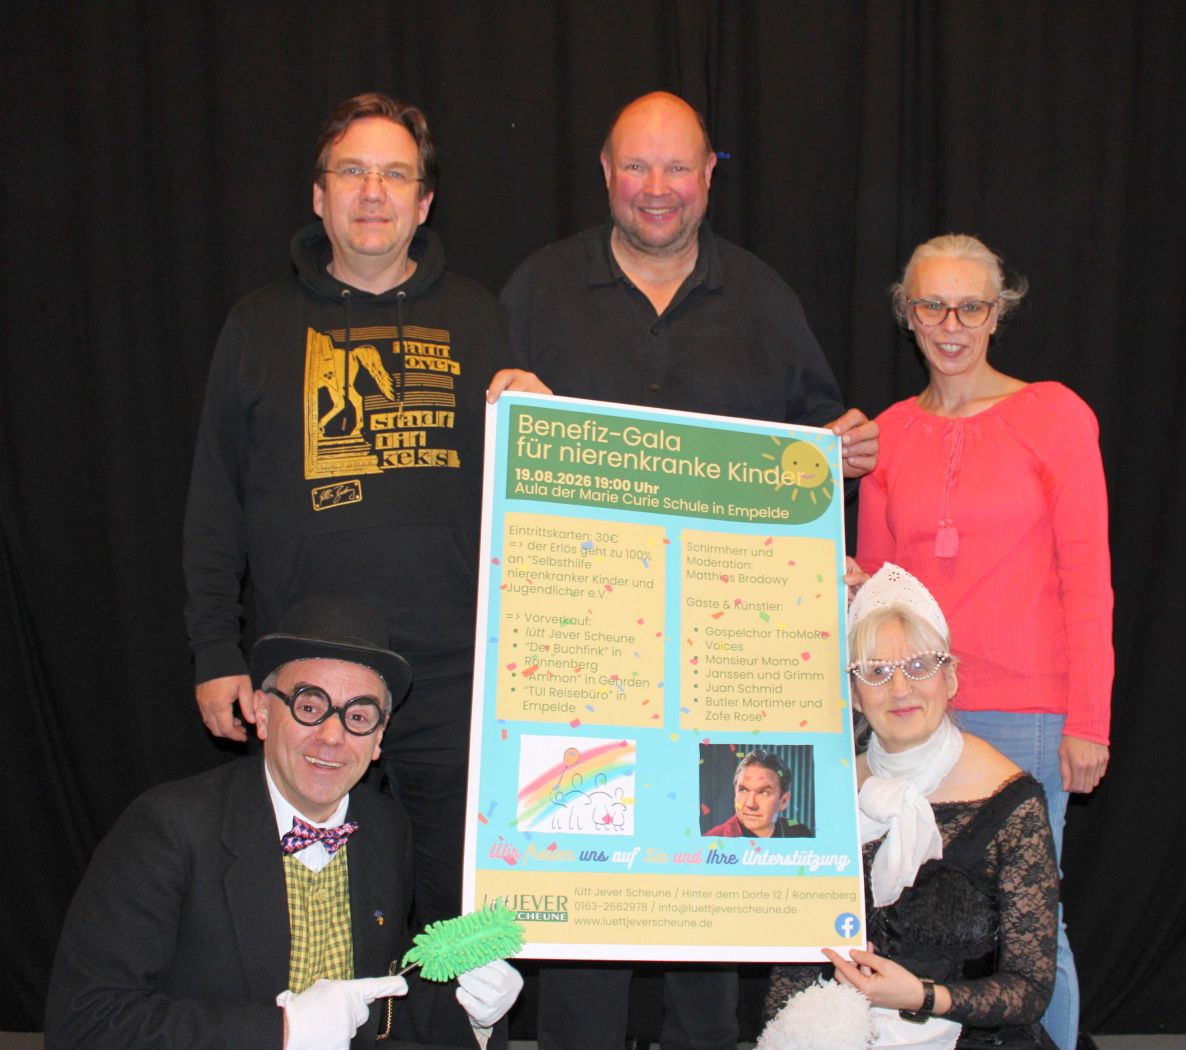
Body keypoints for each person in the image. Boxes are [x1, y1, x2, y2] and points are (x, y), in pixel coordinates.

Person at [488, 89, 879, 1050]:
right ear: (605, 175)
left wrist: (841, 456)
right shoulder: (537, 290)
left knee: (712, 911)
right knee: (582, 911)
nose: (656, 187)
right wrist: (494, 401)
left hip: (723, 661)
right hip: (579, 662)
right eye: (637, 166)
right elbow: (488, 456)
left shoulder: (764, 298)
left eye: (677, 167)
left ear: (709, 176)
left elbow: (814, 451)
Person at [183, 93, 509, 927]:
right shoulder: (256, 325)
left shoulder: (480, 319)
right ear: (319, 194)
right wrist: (215, 649)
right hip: (308, 684)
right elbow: (215, 501)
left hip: (454, 682)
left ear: (423, 203)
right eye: (352, 172)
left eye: (395, 175)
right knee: (311, 910)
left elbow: (527, 495)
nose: (372, 192)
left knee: (457, 918)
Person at [47, 595, 523, 1049]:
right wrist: (283, 1031)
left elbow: (380, 1011)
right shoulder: (168, 828)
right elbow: (85, 1023)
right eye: (309, 707)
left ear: (379, 737)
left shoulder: (385, 828)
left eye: (359, 716)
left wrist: (472, 1012)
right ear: (261, 711)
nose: (332, 736)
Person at [854, 234, 1112, 1050]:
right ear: (907, 315)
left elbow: (1089, 577)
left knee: (1033, 931)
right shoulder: (888, 433)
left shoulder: (1056, 416)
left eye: (971, 307)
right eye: (932, 305)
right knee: (909, 919)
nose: (952, 325)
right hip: (913, 713)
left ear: (999, 314)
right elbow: (881, 601)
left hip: (1029, 713)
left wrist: (1089, 721)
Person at [765, 563, 1059, 1050]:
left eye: (920, 665)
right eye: (876, 672)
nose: (900, 689)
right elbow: (793, 965)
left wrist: (921, 996)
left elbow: (1030, 989)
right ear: (854, 694)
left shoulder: (1010, 802)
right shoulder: (825, 791)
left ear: (951, 678)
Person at [704, 749, 807, 838]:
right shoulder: (712, 840)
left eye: (764, 793)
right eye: (743, 790)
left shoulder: (801, 833)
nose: (750, 804)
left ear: (784, 801)